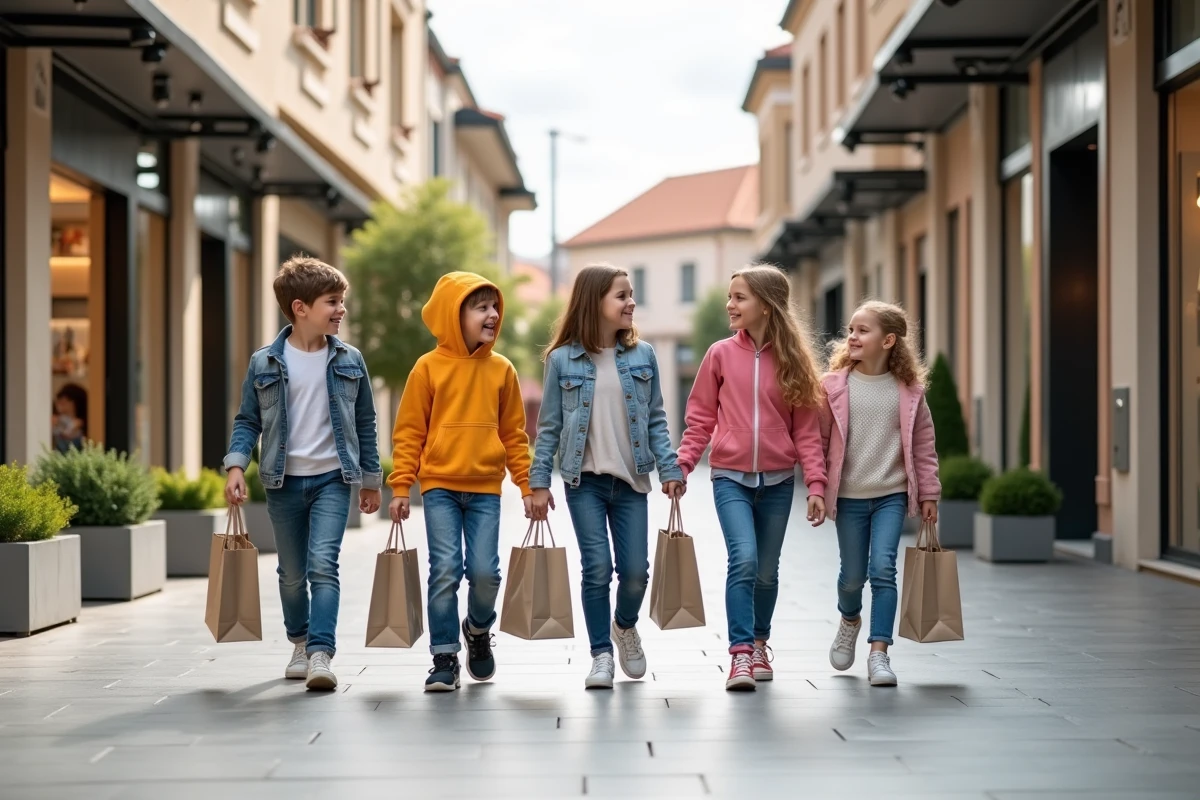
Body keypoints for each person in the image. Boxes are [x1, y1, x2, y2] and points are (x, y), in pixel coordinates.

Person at [223, 255, 382, 692]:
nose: (341, 309)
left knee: (322, 565)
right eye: (333, 301)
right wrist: (236, 463)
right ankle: (298, 641)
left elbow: (365, 421)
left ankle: (319, 653)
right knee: (291, 574)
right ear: (300, 308)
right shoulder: (264, 363)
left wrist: (371, 479)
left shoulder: (350, 359)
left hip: (334, 478)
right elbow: (247, 421)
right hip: (283, 482)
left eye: (342, 300)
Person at [530, 263, 684, 690]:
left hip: (631, 481)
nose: (631, 302)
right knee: (596, 568)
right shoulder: (562, 360)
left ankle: (624, 625)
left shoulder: (644, 355)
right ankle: (601, 654)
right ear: (594, 301)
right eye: (621, 295)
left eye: (631, 294)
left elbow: (655, 418)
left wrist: (669, 468)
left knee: (636, 572)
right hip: (585, 482)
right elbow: (550, 427)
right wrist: (538, 482)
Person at [676, 264, 827, 691]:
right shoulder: (720, 354)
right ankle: (740, 655)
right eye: (730, 296)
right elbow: (700, 417)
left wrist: (815, 484)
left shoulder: (794, 360)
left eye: (740, 297)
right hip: (730, 477)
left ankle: (761, 643)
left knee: (767, 570)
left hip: (778, 481)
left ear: (766, 304)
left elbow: (806, 431)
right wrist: (684, 464)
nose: (731, 304)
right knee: (743, 559)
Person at [388, 272, 533, 692]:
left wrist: (525, 485)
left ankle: (477, 628)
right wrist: (401, 486)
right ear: (456, 315)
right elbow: (410, 430)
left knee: (486, 573)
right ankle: (444, 657)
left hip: (486, 487)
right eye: (481, 307)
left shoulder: (502, 369)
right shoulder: (427, 367)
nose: (492, 315)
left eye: (494, 307)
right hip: (440, 487)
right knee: (446, 570)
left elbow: (514, 434)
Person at [821, 300, 941, 687]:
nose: (852, 337)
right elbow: (818, 440)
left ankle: (879, 653)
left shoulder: (909, 392)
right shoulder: (834, 387)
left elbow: (924, 446)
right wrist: (819, 488)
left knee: (883, 570)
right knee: (852, 577)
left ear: (888, 340)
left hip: (891, 493)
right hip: (850, 496)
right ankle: (850, 618)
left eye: (862, 330)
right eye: (851, 330)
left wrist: (929, 494)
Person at [52, 383, 88, 452]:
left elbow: (68, 433)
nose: (59, 406)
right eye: (59, 402)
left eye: (64, 403)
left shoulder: (79, 423)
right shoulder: (57, 420)